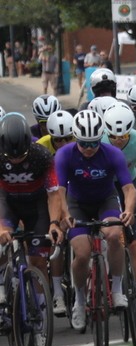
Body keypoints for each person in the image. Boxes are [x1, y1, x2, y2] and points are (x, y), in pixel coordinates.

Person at [56, 110, 136, 331]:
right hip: (76, 203)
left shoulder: (112, 153)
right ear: (75, 138)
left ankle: (117, 289)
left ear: (101, 138)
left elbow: (129, 189)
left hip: (105, 200)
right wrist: (65, 215)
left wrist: (129, 209)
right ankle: (80, 303)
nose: (89, 148)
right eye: (83, 143)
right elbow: (59, 192)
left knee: (113, 235)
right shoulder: (64, 154)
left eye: (93, 143)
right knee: (82, 253)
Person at [0, 114, 65, 317]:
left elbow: (53, 194)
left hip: (36, 207)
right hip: (7, 203)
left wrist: (54, 223)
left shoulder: (41, 155)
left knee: (37, 262)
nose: (17, 160)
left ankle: (42, 315)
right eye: (12, 157)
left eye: (21, 156)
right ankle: (2, 286)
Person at [101, 103, 136, 327]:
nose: (118, 140)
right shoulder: (99, 140)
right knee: (110, 236)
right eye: (113, 135)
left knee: (135, 245)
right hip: (104, 189)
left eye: (123, 136)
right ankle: (111, 282)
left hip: (129, 186)